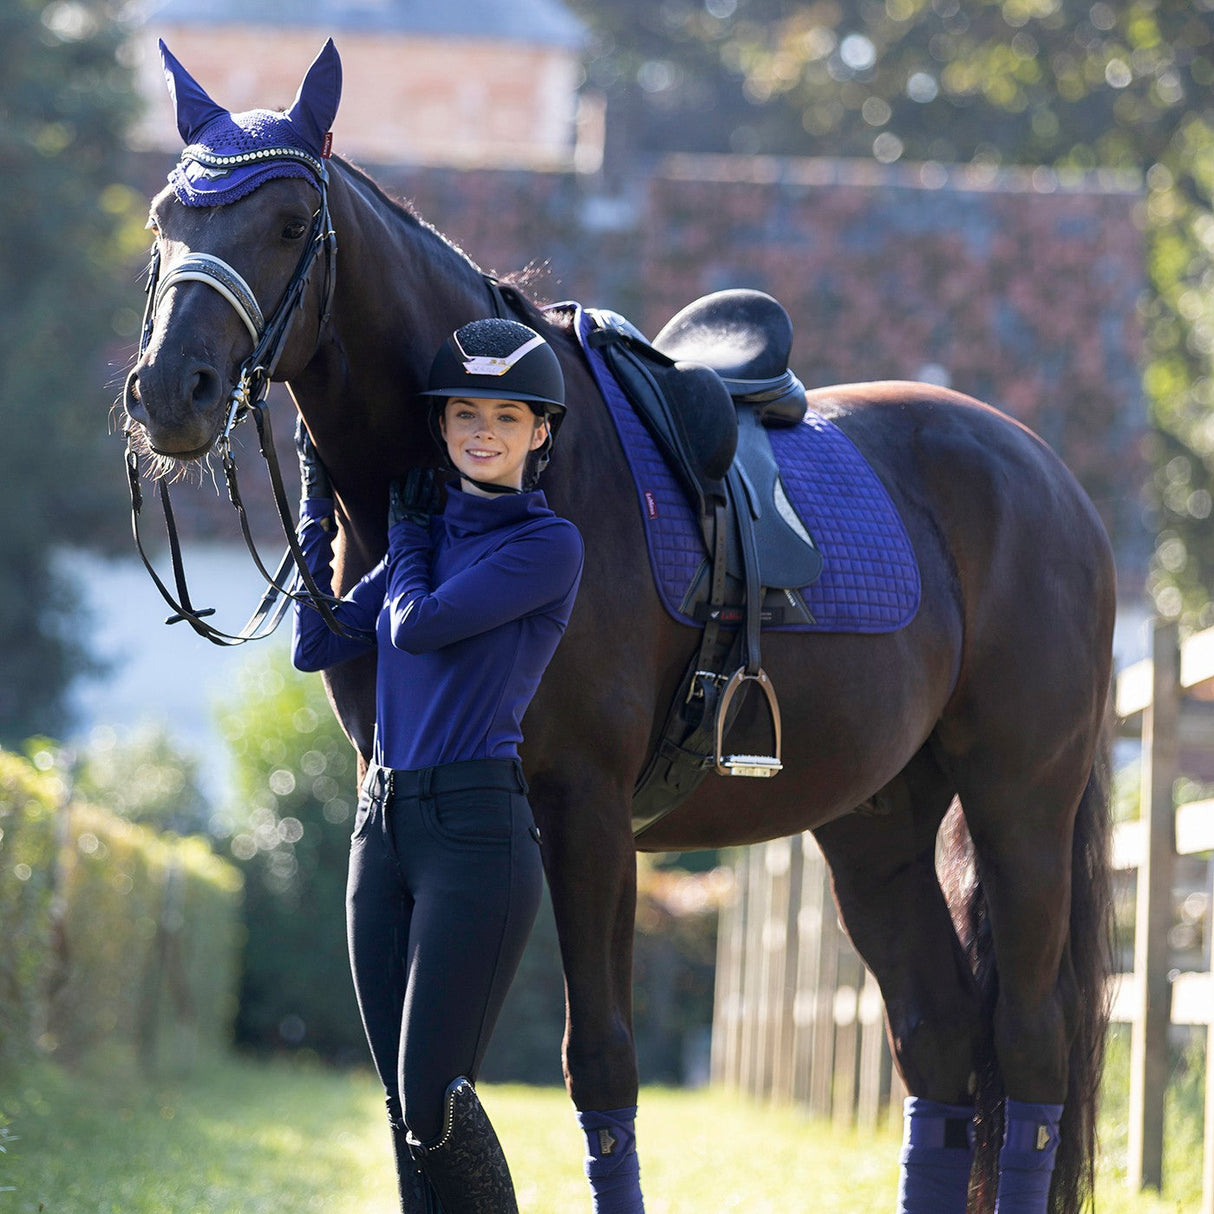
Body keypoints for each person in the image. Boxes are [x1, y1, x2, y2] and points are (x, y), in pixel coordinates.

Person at [292, 318, 584, 1212]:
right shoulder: (422, 541)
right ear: (442, 425)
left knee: (434, 1101)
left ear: (540, 431)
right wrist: (313, 504)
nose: (483, 431)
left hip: (474, 835)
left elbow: (417, 626)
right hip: (381, 829)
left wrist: (408, 537)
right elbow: (317, 643)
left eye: (507, 415)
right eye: (465, 413)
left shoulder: (546, 546)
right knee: (400, 1111)